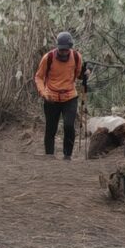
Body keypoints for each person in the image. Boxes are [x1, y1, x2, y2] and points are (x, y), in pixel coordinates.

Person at [34, 30, 88, 160]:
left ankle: (67, 156)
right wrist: (43, 92)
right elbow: (39, 77)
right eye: (61, 49)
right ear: (58, 47)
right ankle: (49, 156)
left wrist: (85, 74)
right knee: (51, 128)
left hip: (70, 97)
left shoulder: (76, 57)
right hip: (51, 97)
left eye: (66, 50)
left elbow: (79, 74)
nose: (63, 52)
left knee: (69, 126)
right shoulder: (48, 58)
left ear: (70, 48)